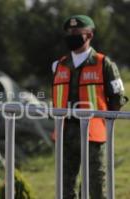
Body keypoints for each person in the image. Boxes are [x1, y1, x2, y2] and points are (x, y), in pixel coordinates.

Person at [52, 15, 128, 199]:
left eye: (77, 33)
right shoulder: (59, 65)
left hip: (93, 134)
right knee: (64, 186)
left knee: (95, 185)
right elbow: (55, 99)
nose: (72, 35)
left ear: (90, 35)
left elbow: (117, 98)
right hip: (65, 133)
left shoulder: (104, 64)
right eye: (69, 33)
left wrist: (106, 122)